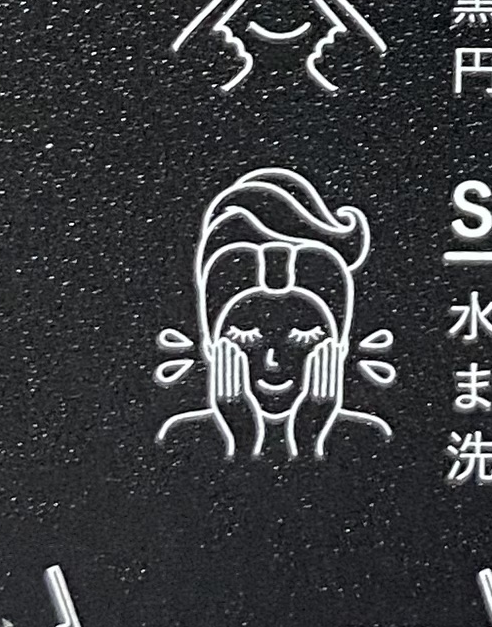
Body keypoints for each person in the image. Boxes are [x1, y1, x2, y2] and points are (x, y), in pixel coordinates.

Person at [156, 166, 391, 462]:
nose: (272, 360)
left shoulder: (369, 438)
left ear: (338, 347)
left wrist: (310, 438)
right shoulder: (182, 437)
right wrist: (240, 437)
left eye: (303, 337)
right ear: (212, 347)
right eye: (246, 336)